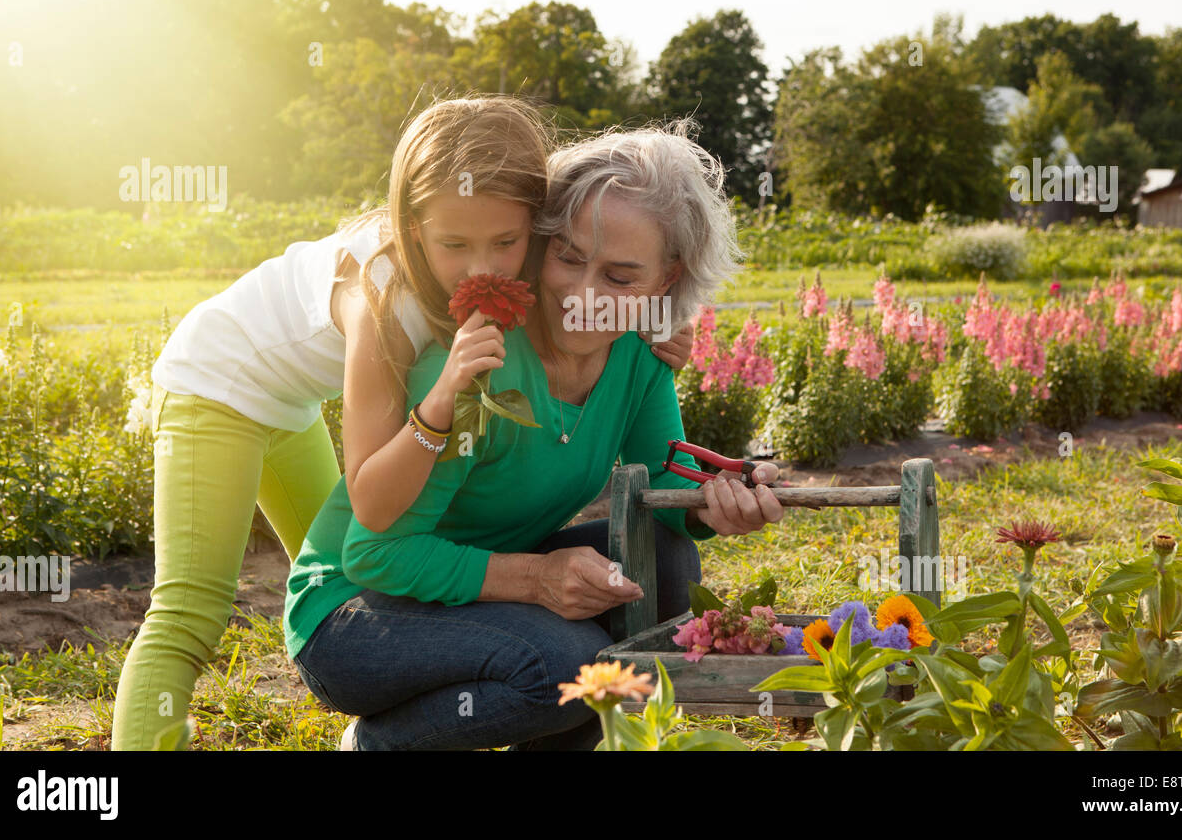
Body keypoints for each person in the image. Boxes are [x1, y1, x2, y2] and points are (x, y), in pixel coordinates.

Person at [284, 123, 785, 750]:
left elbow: (660, 480)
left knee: (664, 560)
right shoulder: (478, 365)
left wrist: (718, 498)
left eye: (621, 277)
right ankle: (381, 744)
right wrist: (536, 577)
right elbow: (375, 554)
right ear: (540, 243)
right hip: (355, 618)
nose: (583, 296)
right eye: (569, 257)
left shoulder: (639, 352)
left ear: (666, 278)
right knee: (570, 667)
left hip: (466, 591)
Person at [112, 97, 561, 750]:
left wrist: (651, 331)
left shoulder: (497, 264)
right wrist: (440, 408)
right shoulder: (377, 302)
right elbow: (373, 496)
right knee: (188, 614)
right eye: (454, 244)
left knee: (344, 587)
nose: (481, 267)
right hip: (214, 382)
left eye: (506, 243)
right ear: (411, 228)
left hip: (285, 403)